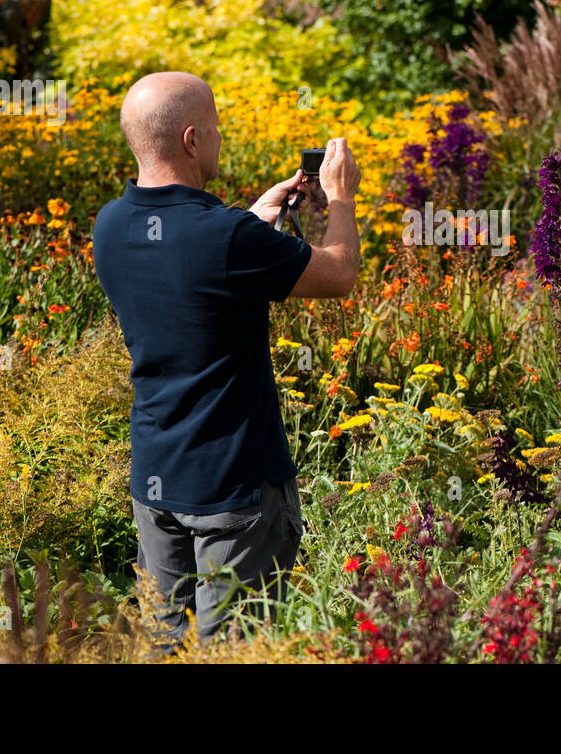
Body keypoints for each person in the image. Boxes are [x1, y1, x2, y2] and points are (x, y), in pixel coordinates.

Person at [91, 71, 361, 650]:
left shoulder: (109, 224)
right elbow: (338, 274)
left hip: (156, 482)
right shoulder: (226, 236)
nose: (220, 137)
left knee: (165, 646)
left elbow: (189, 269)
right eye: (214, 127)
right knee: (234, 653)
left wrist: (251, 220)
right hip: (234, 489)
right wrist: (340, 196)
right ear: (192, 139)